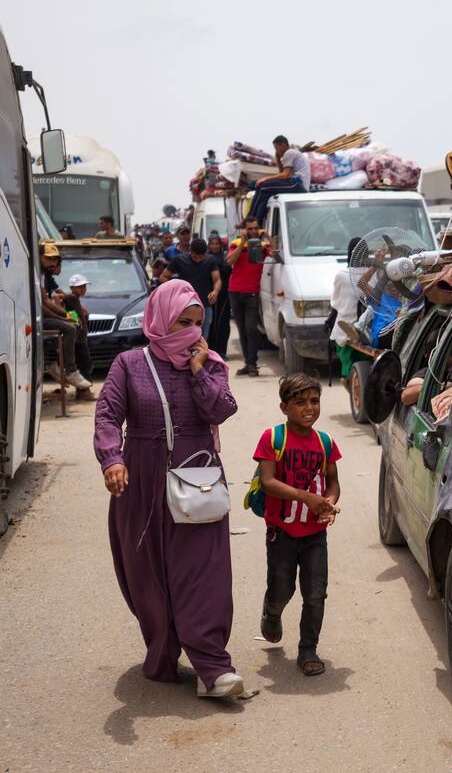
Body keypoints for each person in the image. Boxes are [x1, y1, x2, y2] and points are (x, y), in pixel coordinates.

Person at [92, 279, 243, 699]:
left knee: (204, 573)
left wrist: (197, 370)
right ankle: (162, 651)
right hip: (139, 481)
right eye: (183, 322)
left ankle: (214, 667)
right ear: (160, 319)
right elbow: (107, 416)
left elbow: (222, 408)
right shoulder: (128, 363)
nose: (192, 332)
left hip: (198, 478)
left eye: (198, 323)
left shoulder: (209, 362)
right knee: (147, 573)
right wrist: (113, 460)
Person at [254, 373, 342, 677]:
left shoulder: (325, 442)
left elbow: (333, 482)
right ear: (284, 407)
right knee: (282, 588)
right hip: (282, 532)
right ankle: (272, 610)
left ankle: (308, 650)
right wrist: (305, 497)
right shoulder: (273, 439)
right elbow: (267, 482)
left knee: (315, 593)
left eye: (314, 401)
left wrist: (328, 503)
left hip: (315, 534)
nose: (309, 408)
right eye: (300, 402)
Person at [38, 243, 91, 392]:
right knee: (70, 328)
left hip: (49, 315)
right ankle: (68, 369)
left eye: (55, 261)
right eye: (50, 260)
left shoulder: (47, 277)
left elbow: (55, 297)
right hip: (43, 316)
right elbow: (52, 301)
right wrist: (68, 315)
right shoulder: (68, 295)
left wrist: (70, 315)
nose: (53, 264)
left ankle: (59, 365)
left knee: (71, 326)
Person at [226, 221, 271, 376]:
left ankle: (252, 364)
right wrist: (243, 243)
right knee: (242, 329)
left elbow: (276, 253)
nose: (253, 231)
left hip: (252, 292)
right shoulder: (236, 243)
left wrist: (268, 237)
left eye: (255, 228)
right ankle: (248, 363)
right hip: (235, 291)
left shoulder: (263, 245)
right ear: (244, 230)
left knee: (251, 329)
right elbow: (230, 261)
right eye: (250, 228)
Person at [162, 236, 221, 337]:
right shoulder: (179, 260)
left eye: (201, 257)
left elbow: (217, 280)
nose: (198, 260)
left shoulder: (210, 260)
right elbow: (163, 277)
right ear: (190, 251)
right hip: (184, 307)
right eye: (195, 257)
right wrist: (175, 293)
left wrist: (215, 292)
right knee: (184, 338)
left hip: (204, 306)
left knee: (202, 338)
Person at [329, 237, 369, 385]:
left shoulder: (341, 276)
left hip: (344, 329)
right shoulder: (375, 273)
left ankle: (347, 379)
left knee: (347, 367)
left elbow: (335, 302)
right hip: (369, 331)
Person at [245, 135, 310, 226]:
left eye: (276, 148)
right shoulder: (290, 154)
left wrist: (265, 178)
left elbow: (284, 175)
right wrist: (278, 159)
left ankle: (252, 221)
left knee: (263, 186)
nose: (276, 151)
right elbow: (282, 173)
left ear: (283, 145)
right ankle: (253, 220)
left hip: (298, 184)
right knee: (264, 192)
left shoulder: (289, 153)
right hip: (293, 183)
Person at [63, 273, 96, 401]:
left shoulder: (75, 299)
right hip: (78, 339)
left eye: (84, 286)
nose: (83, 289)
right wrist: (78, 321)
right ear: (72, 288)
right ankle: (84, 391)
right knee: (85, 363)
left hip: (81, 338)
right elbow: (71, 313)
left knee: (85, 363)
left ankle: (82, 390)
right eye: (80, 287)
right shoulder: (71, 298)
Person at [206, 231, 232, 357]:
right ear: (208, 245)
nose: (215, 246)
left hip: (224, 296)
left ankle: (222, 351)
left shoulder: (225, 257)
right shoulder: (206, 259)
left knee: (223, 323)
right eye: (212, 243)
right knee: (210, 323)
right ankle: (211, 350)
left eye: (217, 243)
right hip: (210, 295)